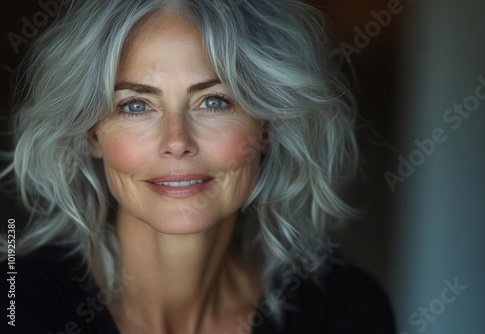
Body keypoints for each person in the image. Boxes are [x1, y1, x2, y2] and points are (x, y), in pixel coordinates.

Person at [0, 0, 395, 333]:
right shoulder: (17, 306)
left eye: (214, 101)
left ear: (267, 126)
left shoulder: (344, 310)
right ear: (92, 134)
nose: (177, 141)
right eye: (135, 106)